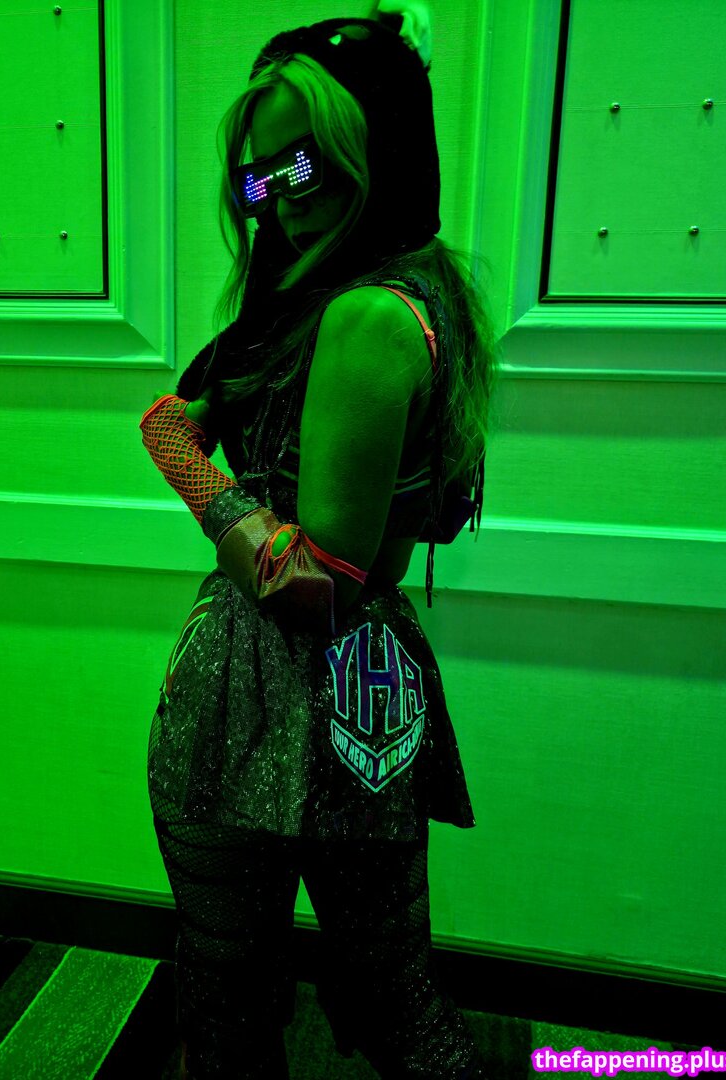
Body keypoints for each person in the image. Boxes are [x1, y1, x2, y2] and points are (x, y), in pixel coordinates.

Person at [140, 6, 501, 1078]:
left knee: (238, 993)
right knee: (387, 992)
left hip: (263, 683)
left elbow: (315, 583)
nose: (282, 199)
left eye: (306, 165)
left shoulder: (365, 315)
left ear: (377, 147)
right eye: (262, 178)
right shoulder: (406, 291)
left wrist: (182, 459)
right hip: (362, 687)